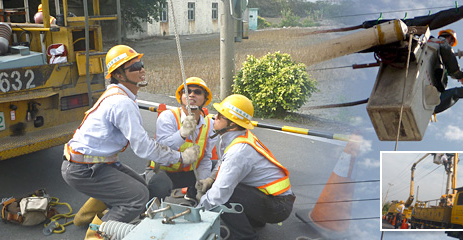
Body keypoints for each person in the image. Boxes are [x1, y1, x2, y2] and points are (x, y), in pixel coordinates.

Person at [61, 45, 199, 238]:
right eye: (133, 67)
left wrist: (182, 134)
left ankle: (86, 216)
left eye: (140, 64)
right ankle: (96, 235)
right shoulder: (122, 102)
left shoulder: (123, 95)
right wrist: (181, 157)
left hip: (96, 163)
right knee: (137, 198)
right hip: (83, 169)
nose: (141, 69)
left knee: (142, 187)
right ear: (118, 75)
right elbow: (143, 147)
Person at [196, 94, 295, 240]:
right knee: (218, 181)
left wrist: (197, 213)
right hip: (271, 198)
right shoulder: (236, 136)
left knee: (224, 196)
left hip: (278, 207)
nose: (214, 118)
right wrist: (210, 179)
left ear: (233, 124)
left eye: (220, 116)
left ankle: (246, 237)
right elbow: (223, 162)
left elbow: (219, 194)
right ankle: (255, 219)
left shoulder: (239, 152)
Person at [144, 77, 216, 204]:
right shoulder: (168, 117)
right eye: (187, 91)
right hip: (163, 171)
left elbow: (205, 158)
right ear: (181, 96)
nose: (191, 95)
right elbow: (160, 149)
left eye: (197, 92)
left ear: (205, 99)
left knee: (216, 171)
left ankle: (193, 194)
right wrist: (182, 134)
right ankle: (150, 207)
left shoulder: (209, 125)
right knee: (160, 185)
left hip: (187, 172)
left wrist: (203, 183)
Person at [430, 29, 463, 114]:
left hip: (425, 74)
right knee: (455, 93)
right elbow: (453, 68)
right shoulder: (443, 44)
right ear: (449, 38)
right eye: (452, 43)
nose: (451, 45)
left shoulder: (430, 42)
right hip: (431, 82)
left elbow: (448, 69)